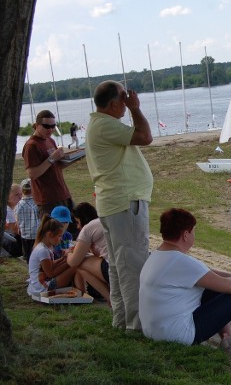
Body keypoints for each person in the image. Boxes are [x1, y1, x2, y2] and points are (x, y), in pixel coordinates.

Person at [139, 208, 231, 364]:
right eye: (194, 231)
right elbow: (230, 287)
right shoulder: (181, 262)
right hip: (177, 335)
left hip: (154, 331)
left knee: (212, 290)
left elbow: (210, 275)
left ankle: (228, 338)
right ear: (186, 235)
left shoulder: (157, 256)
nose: (194, 235)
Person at [85, 80, 153, 331]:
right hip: (124, 203)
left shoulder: (99, 124)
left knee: (117, 266)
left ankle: (122, 320)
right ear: (113, 104)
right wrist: (136, 109)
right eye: (123, 99)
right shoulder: (105, 125)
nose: (126, 104)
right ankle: (136, 325)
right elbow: (145, 137)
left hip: (113, 203)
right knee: (133, 266)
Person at [21, 110, 75, 224]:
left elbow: (57, 166)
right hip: (48, 200)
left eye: (53, 126)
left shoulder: (50, 140)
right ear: (36, 125)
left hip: (63, 194)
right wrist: (52, 158)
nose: (50, 129)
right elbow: (32, 174)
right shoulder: (31, 145)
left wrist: (74, 158)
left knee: (72, 232)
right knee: (53, 235)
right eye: (46, 126)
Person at [68, 202, 110, 304]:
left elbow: (73, 262)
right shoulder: (103, 221)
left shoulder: (88, 228)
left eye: (78, 222)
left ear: (83, 219)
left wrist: (68, 254)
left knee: (79, 264)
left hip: (112, 268)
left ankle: (110, 299)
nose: (78, 227)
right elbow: (99, 255)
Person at [27, 215, 77, 296]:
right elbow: (51, 273)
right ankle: (83, 292)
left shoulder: (47, 246)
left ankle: (80, 290)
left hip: (41, 284)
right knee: (75, 267)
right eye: (59, 236)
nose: (61, 239)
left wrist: (64, 259)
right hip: (43, 287)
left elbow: (51, 264)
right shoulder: (42, 250)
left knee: (72, 263)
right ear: (50, 234)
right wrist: (68, 262)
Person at [15, 179, 39, 262]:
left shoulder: (19, 204)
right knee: (34, 251)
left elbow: (17, 217)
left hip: (25, 232)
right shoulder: (36, 203)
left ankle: (27, 261)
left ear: (22, 191)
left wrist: (18, 227)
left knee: (26, 251)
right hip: (36, 232)